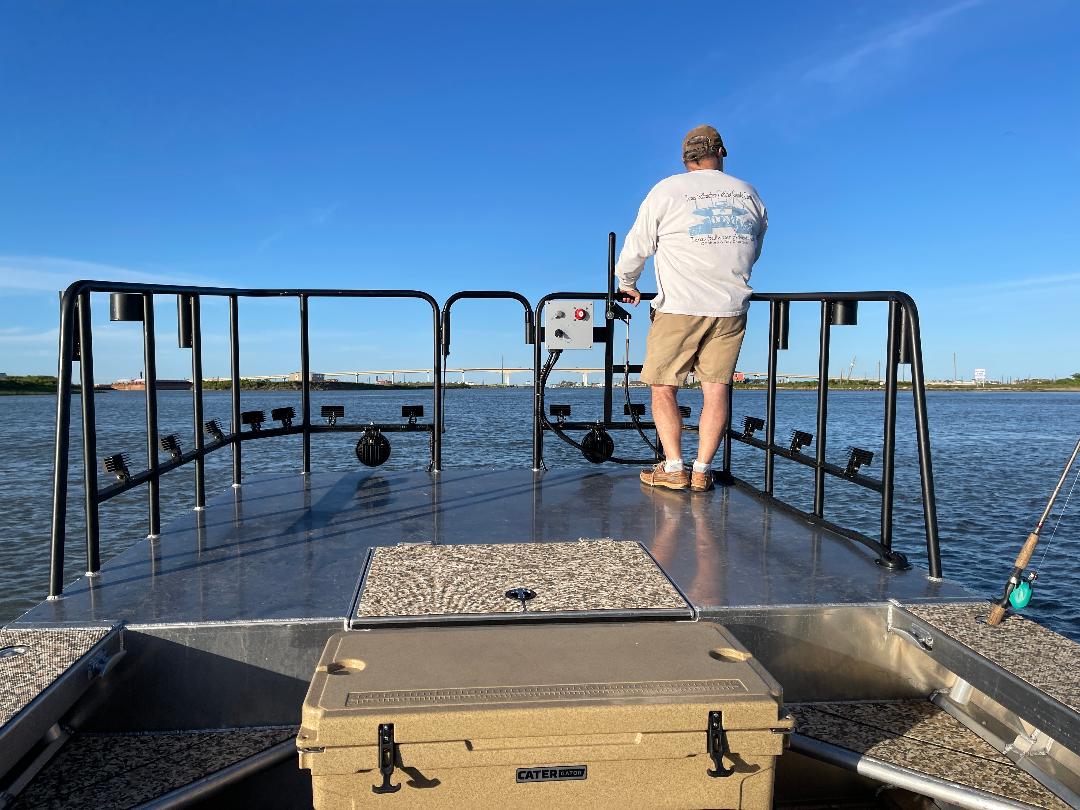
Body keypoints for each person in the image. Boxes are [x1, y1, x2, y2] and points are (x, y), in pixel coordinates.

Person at [614, 125, 767, 493]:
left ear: (685, 158)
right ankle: (702, 471)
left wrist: (627, 283)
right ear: (721, 152)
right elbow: (755, 245)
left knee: (663, 386)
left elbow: (638, 244)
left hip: (680, 305)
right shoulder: (748, 193)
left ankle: (674, 468)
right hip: (731, 306)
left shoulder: (667, 190)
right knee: (717, 389)